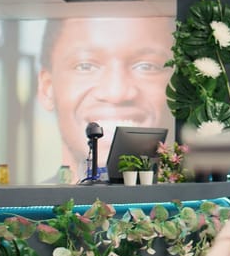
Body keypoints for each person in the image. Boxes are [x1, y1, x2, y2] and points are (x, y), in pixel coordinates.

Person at [37, 17, 174, 183]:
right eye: (85, 66)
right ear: (47, 88)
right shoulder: (30, 207)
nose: (115, 93)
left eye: (147, 66)